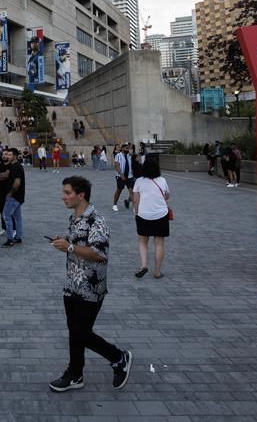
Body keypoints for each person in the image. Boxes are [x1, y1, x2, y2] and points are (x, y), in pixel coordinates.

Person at [48, 176, 131, 393]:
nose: (63, 197)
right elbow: (78, 243)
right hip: (72, 283)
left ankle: (118, 357)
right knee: (75, 332)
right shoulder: (75, 218)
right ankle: (75, 374)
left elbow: (99, 254)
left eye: (67, 193)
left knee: (81, 333)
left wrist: (70, 247)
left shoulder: (97, 220)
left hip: (90, 288)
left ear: (81, 194)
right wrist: (65, 240)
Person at [131, 154, 170, 279]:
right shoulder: (162, 180)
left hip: (143, 215)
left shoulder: (139, 181)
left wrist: (136, 213)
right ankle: (157, 272)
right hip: (161, 215)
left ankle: (143, 265)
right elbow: (167, 195)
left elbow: (135, 200)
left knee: (143, 241)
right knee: (159, 243)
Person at [0, 148, 26, 247]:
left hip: (14, 196)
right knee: (18, 218)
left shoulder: (15, 167)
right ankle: (18, 237)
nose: (7, 156)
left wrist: (10, 193)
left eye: (10, 155)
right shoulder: (16, 166)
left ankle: (10, 239)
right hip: (19, 196)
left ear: (14, 156)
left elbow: (17, 183)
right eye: (7, 155)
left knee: (6, 216)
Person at [112, 144, 134, 212]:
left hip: (129, 176)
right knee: (119, 190)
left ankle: (128, 201)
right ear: (122, 148)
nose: (128, 150)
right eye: (126, 148)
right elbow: (117, 166)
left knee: (132, 192)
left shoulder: (129, 156)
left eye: (128, 148)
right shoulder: (118, 155)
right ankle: (114, 204)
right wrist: (121, 174)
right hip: (120, 176)